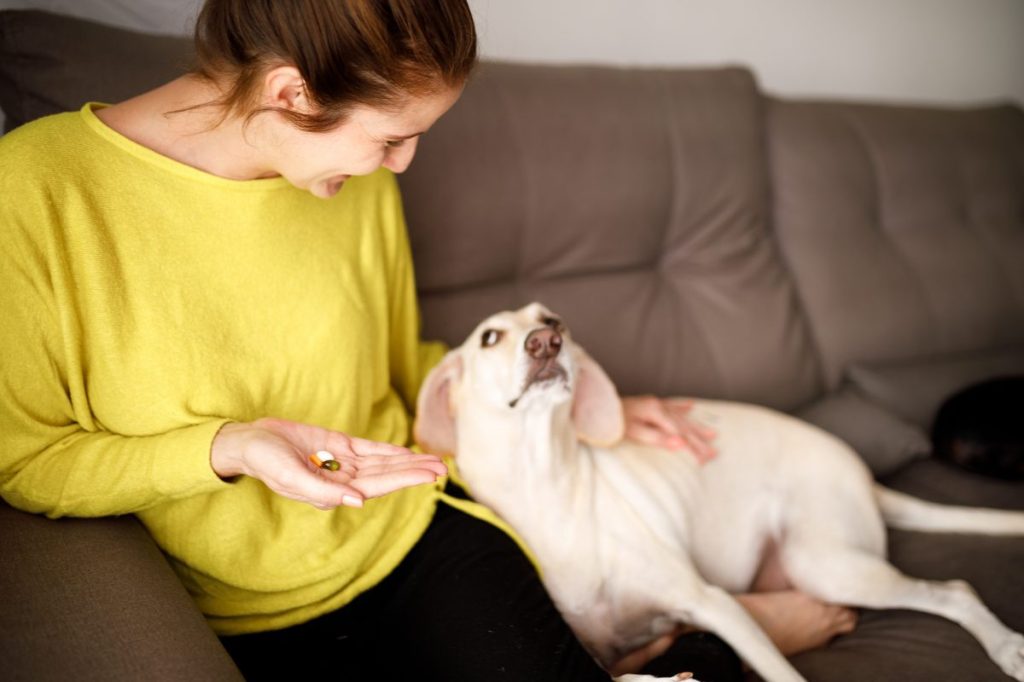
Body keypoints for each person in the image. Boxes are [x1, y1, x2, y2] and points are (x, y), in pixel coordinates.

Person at [0, 1, 855, 679]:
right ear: (292, 94)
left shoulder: (350, 180)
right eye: (392, 135)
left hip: (412, 536)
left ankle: (707, 640)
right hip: (235, 604)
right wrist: (225, 448)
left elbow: (396, 358)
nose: (403, 164)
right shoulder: (38, 194)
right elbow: (25, 461)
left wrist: (586, 404)